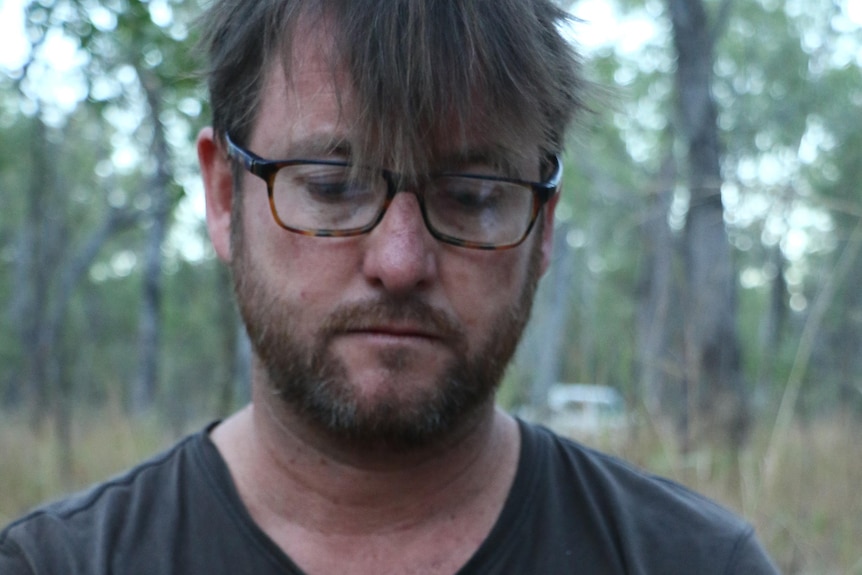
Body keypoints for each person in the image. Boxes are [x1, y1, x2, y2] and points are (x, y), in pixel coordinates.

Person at [0, 0, 779, 573]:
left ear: (542, 227)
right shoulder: (57, 563)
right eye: (334, 186)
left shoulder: (695, 562)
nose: (400, 261)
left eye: (472, 193)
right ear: (224, 198)